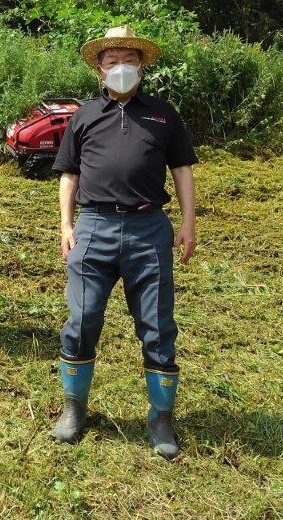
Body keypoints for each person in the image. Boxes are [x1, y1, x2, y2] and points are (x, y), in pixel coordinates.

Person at [50, 26, 198, 459]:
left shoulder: (163, 114)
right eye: (110, 61)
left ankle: (161, 419)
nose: (119, 68)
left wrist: (188, 223)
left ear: (141, 65)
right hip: (93, 227)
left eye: (127, 60)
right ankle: (74, 410)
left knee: (156, 326)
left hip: (149, 228)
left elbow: (183, 171)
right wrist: (65, 224)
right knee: (81, 319)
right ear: (99, 69)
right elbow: (69, 175)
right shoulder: (83, 116)